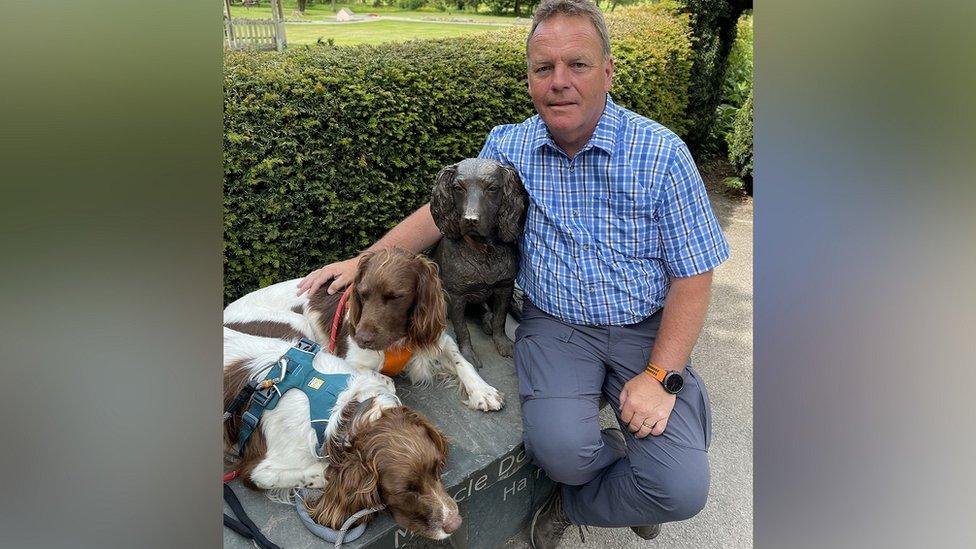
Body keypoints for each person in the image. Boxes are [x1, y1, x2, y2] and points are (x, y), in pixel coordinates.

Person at [297, 0, 729, 546]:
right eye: (543, 68)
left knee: (680, 489)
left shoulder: (662, 155)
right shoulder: (510, 145)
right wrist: (361, 262)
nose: (559, 82)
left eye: (578, 64)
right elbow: (443, 216)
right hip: (555, 328)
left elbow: (694, 275)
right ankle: (592, 486)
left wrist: (661, 376)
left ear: (609, 71)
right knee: (563, 453)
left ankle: (589, 501)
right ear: (528, 78)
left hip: (645, 329)